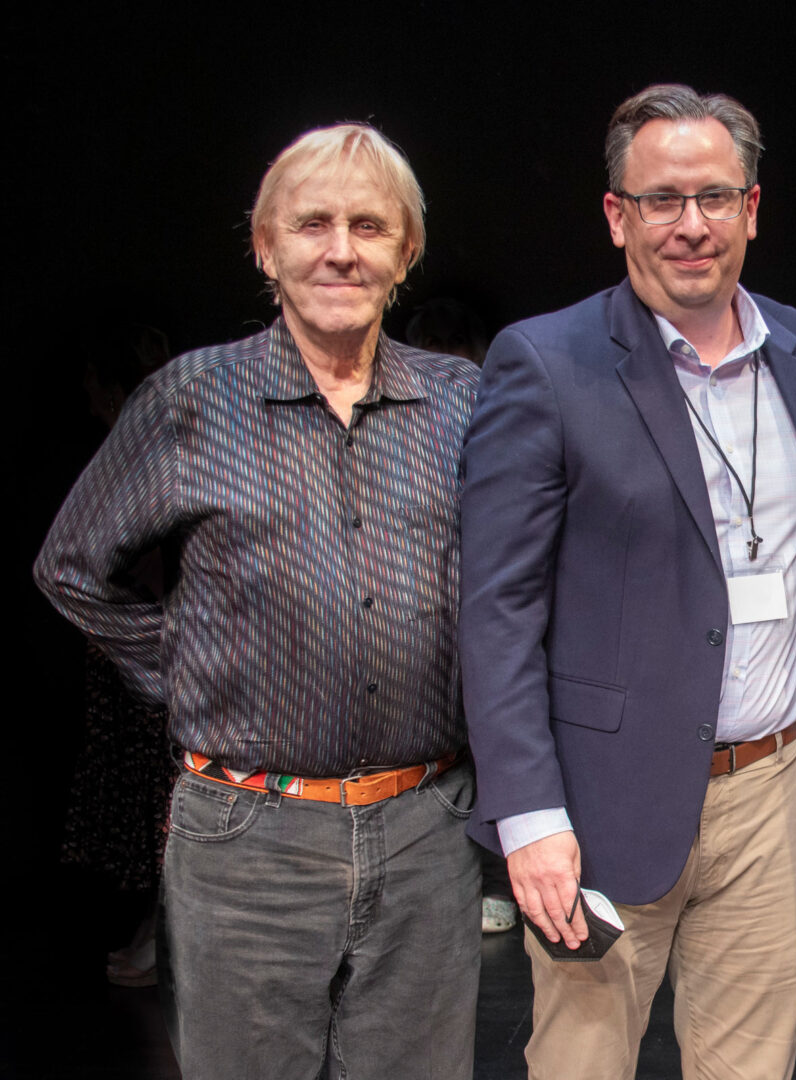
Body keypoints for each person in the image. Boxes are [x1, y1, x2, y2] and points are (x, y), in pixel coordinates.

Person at [34, 124, 482, 1078]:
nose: (340, 249)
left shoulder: (464, 404)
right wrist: (191, 669)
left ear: (406, 252)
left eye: (369, 225)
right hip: (247, 843)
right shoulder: (192, 399)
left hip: (425, 830)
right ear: (264, 247)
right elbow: (70, 565)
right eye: (311, 223)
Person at [459, 84, 796, 1080]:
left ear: (753, 209)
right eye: (663, 199)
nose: (692, 226)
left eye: (716, 197)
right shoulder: (545, 364)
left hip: (769, 793)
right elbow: (497, 611)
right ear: (616, 216)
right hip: (602, 807)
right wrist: (530, 816)